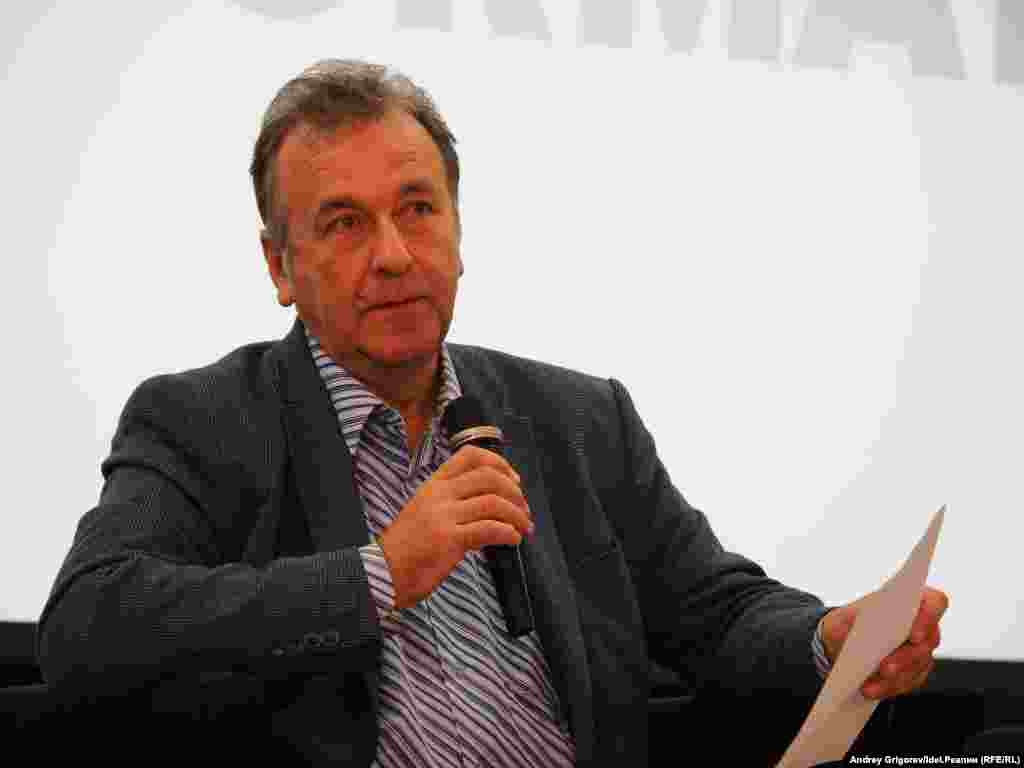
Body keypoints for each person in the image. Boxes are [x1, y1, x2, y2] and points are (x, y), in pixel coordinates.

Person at [36, 59, 948, 766]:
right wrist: (381, 573)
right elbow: (87, 630)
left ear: (459, 230)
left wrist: (828, 641)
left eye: (418, 209)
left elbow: (716, 612)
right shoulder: (203, 422)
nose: (395, 255)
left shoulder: (579, 421)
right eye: (345, 224)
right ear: (280, 266)